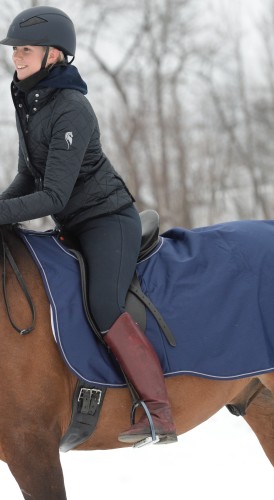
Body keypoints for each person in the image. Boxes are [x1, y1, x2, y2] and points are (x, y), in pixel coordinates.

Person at [0, 6, 176, 446]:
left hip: (105, 220)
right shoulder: (27, 97)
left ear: (54, 55)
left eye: (26, 49)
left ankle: (159, 411)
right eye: (15, 49)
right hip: (71, 224)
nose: (16, 57)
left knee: (102, 305)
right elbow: (28, 175)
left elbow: (53, 195)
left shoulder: (72, 108)